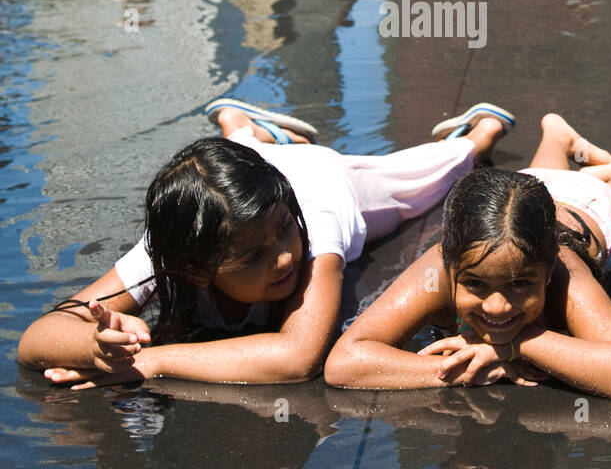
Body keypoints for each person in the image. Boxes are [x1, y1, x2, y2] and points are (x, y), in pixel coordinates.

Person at [18, 99, 516, 387]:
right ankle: (241, 128)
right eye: (253, 256)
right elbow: (36, 338)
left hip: (324, 181)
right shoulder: (172, 246)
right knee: (236, 167)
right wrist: (93, 346)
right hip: (258, 189)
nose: (283, 255)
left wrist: (152, 360)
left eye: (282, 233)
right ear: (194, 269)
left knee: (437, 171)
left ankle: (483, 132)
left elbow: (295, 357)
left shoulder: (313, 226)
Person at [324, 112, 611, 399]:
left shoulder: (565, 270)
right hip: (525, 194)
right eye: (475, 284)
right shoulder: (442, 267)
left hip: (594, 209)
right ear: (450, 265)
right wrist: (461, 369)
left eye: (521, 284)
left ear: (547, 271)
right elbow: (344, 363)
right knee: (538, 181)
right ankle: (557, 138)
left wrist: (515, 345)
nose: (497, 306)